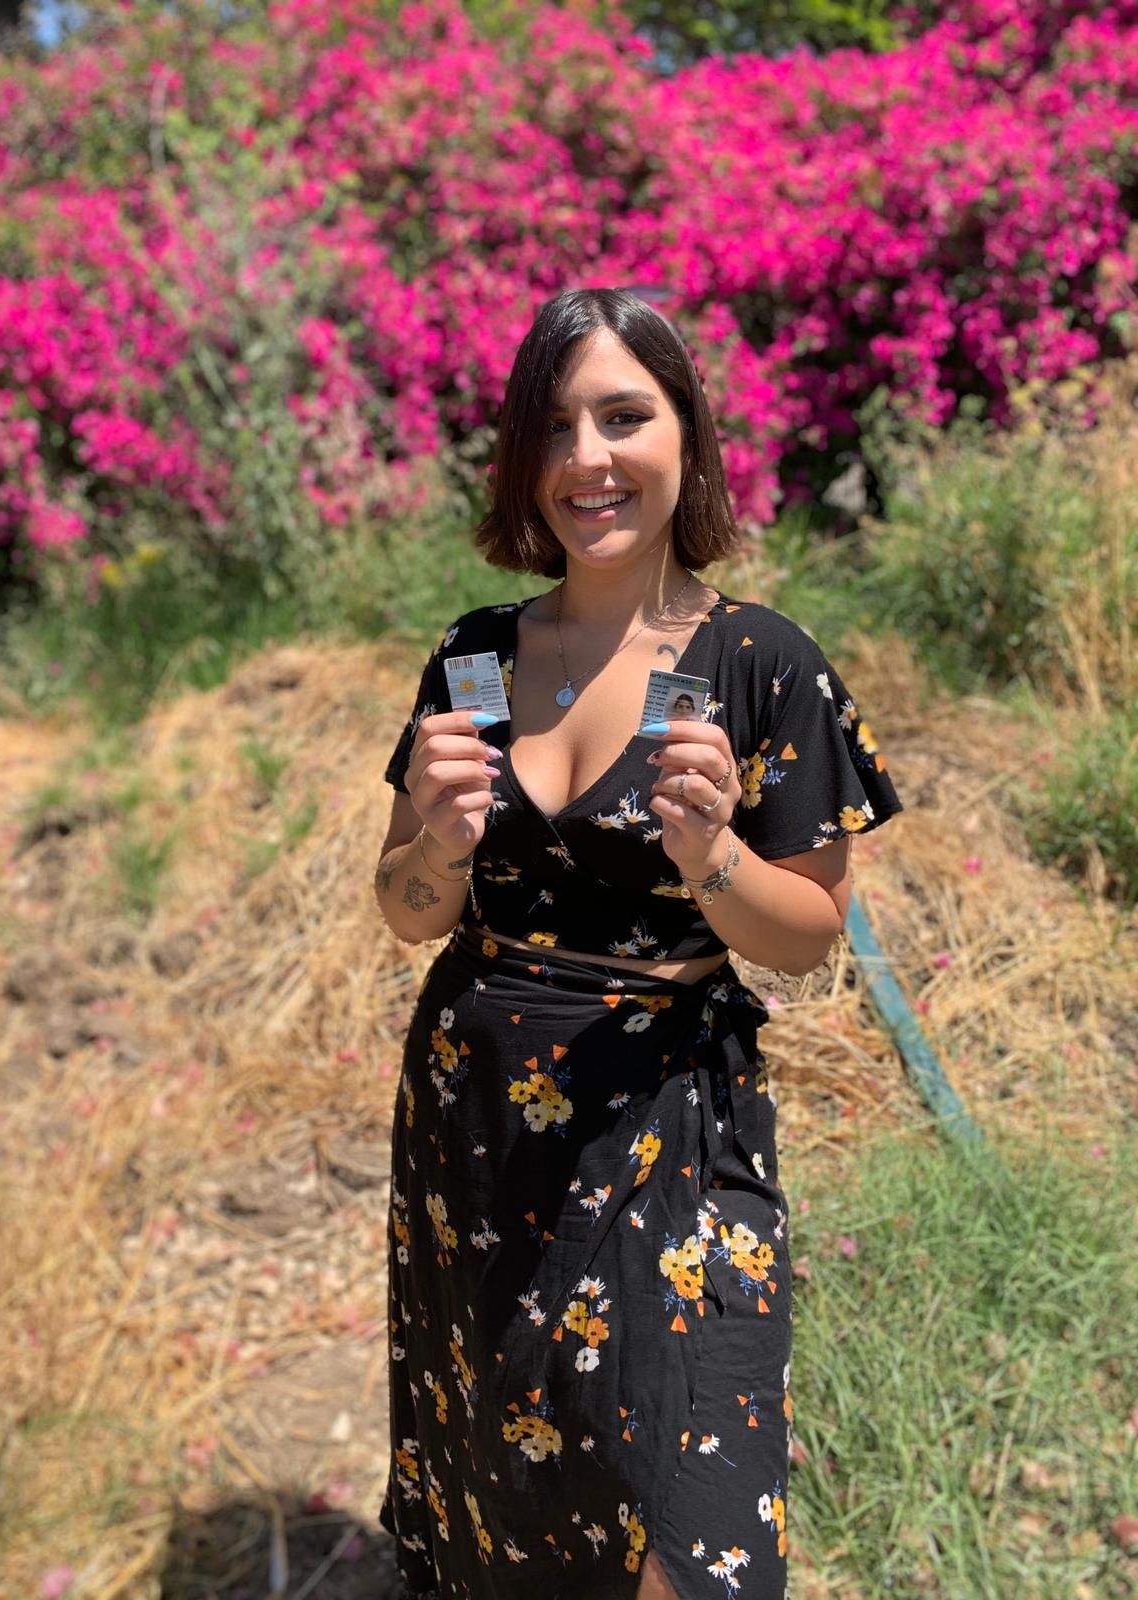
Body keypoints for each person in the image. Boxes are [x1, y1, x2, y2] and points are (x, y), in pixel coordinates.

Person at [374, 288, 903, 1600]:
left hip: (673, 1123)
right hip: (476, 1125)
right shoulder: (478, 660)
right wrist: (439, 842)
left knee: (697, 1527)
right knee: (509, 1484)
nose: (588, 459)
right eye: (556, 427)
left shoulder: (757, 662)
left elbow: (808, 937)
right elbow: (408, 907)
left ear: (687, 435)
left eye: (624, 416)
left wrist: (713, 855)